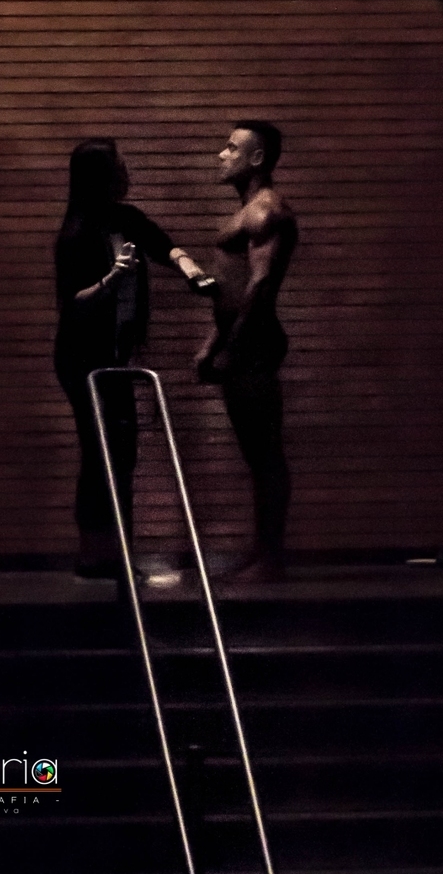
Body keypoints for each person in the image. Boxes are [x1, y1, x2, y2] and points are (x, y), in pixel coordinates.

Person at [54, 138, 200, 577]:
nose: (126, 171)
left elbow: (160, 243)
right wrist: (112, 280)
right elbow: (73, 305)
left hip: (115, 355)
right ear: (100, 176)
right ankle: (95, 554)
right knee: (101, 451)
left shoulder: (125, 218)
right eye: (119, 165)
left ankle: (116, 552)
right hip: (83, 359)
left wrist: (190, 268)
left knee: (122, 452)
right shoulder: (76, 233)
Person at [183, 121, 298, 581]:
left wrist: (230, 349)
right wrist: (212, 342)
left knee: (265, 454)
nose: (221, 154)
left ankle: (270, 558)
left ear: (257, 158)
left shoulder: (267, 211)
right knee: (256, 454)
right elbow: (233, 290)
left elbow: (260, 286)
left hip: (254, 346)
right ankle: (262, 552)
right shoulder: (247, 211)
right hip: (239, 343)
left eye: (232, 148)